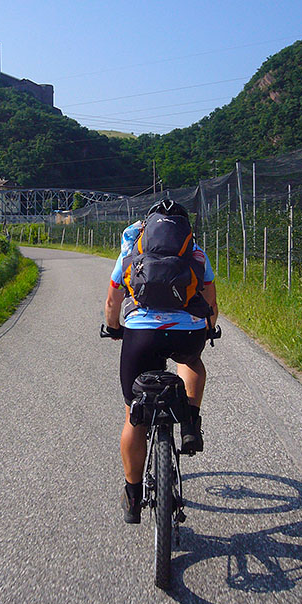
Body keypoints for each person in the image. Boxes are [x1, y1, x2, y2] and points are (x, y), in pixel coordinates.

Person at [104, 200, 218, 524]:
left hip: (141, 335)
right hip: (186, 333)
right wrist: (208, 328)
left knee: (133, 415)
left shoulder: (132, 247)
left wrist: (114, 328)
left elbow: (113, 297)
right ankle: (191, 423)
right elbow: (210, 299)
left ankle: (133, 494)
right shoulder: (194, 251)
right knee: (192, 362)